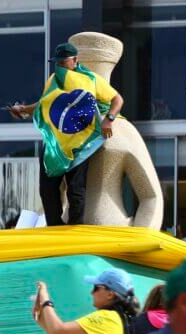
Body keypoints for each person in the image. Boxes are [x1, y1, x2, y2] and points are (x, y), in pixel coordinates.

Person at [9, 43, 124, 225]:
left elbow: (117, 99)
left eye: (64, 62)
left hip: (80, 142)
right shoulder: (53, 79)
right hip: (55, 143)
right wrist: (23, 109)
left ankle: (75, 230)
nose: (60, 66)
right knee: (47, 188)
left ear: (75, 60)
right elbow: (45, 104)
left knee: (76, 190)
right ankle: (55, 226)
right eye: (57, 63)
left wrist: (108, 119)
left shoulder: (91, 79)